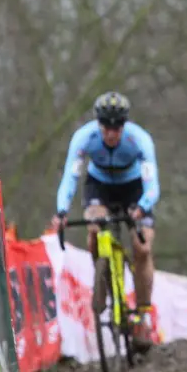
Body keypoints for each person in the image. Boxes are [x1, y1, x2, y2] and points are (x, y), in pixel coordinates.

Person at [51, 92, 159, 351]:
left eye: (117, 127)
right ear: (98, 124)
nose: (111, 133)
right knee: (94, 226)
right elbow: (70, 176)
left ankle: (143, 315)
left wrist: (142, 207)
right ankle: (103, 275)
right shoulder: (84, 137)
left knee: (142, 248)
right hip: (99, 187)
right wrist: (62, 210)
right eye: (106, 127)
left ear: (124, 124)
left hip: (133, 189)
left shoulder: (140, 139)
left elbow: (152, 185)